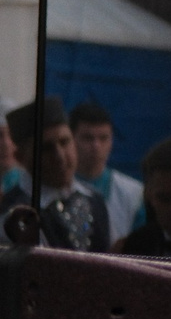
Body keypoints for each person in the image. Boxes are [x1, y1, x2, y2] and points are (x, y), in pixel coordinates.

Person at [3, 98, 110, 252]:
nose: (59, 156)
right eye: (46, 148)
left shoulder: (94, 200)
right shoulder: (14, 213)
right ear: (20, 157)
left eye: (64, 142)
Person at [69, 101, 145, 245]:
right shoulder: (58, 189)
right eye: (88, 138)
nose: (96, 146)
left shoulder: (133, 193)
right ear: (72, 139)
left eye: (103, 138)